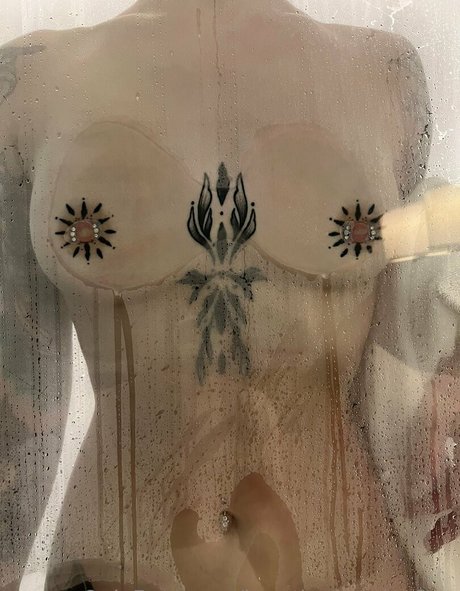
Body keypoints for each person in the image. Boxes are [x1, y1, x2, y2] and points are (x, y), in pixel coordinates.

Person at [0, 0, 458, 589]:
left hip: (355, 569)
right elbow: (16, 408)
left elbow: (415, 288)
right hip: (114, 567)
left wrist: (452, 371)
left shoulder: (384, 71)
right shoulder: (29, 81)